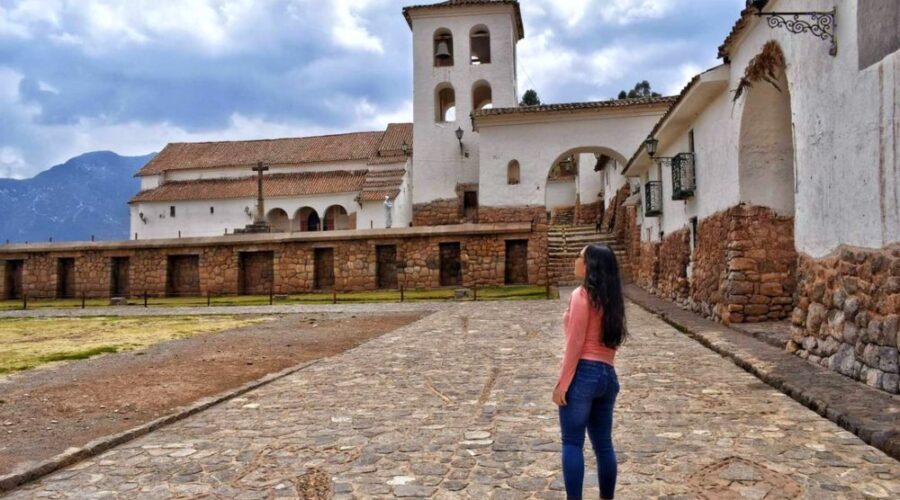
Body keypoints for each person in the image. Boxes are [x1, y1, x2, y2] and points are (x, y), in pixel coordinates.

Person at [552, 243, 627, 499]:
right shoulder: (612, 300)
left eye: (580, 256)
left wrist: (563, 384)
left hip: (583, 373)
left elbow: (575, 343)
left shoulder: (581, 295)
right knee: (603, 445)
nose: (576, 260)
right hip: (607, 374)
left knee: (572, 442)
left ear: (590, 265)